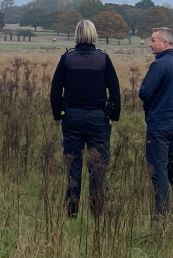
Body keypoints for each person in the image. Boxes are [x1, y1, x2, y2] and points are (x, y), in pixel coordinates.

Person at [50, 19, 121, 219]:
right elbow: (114, 90)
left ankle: (71, 212)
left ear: (76, 35)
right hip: (98, 119)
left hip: (71, 118)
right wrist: (113, 115)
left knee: (73, 165)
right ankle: (96, 211)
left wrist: (58, 114)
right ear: (94, 35)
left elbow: (55, 90)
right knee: (97, 166)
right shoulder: (103, 59)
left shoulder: (67, 58)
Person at [138, 26, 173, 218]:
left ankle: (160, 215)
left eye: (153, 40)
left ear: (165, 43)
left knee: (158, 170)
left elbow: (144, 93)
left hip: (158, 127)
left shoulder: (158, 66)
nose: (150, 44)